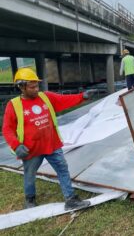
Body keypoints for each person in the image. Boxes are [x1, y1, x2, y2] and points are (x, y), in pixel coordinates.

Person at [2, 67, 94, 210]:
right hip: (31, 149)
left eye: (37, 85)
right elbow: (7, 129)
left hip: (52, 145)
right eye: (32, 87)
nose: (36, 89)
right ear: (21, 87)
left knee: (62, 169)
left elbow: (65, 100)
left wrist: (83, 97)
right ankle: (30, 199)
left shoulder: (46, 97)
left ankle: (71, 199)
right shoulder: (13, 105)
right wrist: (16, 145)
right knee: (30, 174)